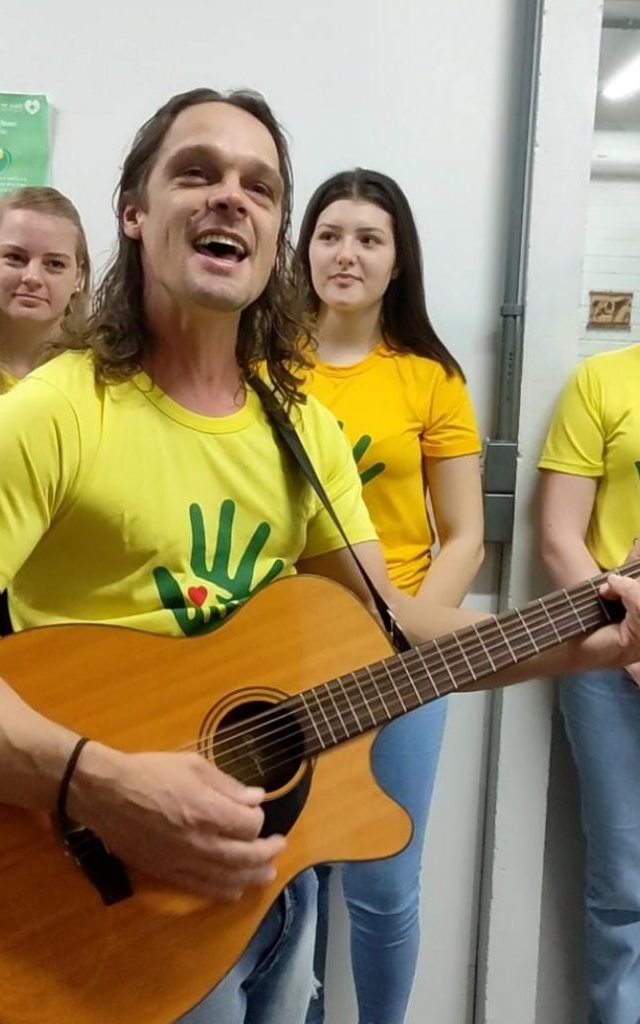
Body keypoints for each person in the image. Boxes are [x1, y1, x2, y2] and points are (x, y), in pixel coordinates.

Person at [0, 89, 637, 1024]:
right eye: (197, 172)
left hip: (267, 896)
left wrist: (584, 634)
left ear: (273, 239)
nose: (231, 197)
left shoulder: (301, 428)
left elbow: (395, 628)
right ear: (134, 213)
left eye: (260, 187)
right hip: (97, 896)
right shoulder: (54, 414)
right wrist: (95, 780)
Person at [296, 168, 484, 1024]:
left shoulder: (431, 380)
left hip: (404, 662)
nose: (347, 254)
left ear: (397, 260)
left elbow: (465, 535)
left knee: (382, 880)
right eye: (330, 235)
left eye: (369, 239)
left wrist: (404, 641)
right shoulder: (257, 366)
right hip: (281, 652)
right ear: (304, 251)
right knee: (286, 878)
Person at [0, 185, 91, 652]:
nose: (32, 277)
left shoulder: (110, 386)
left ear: (80, 277)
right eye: (15, 257)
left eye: (54, 264)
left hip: (77, 628)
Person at [539, 343, 640, 1024]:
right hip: (612, 663)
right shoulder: (602, 380)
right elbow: (558, 537)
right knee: (625, 886)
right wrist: (629, 644)